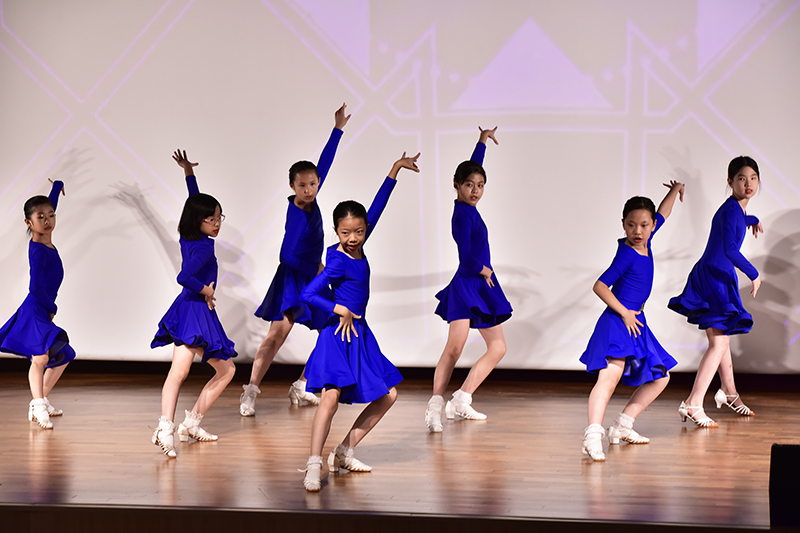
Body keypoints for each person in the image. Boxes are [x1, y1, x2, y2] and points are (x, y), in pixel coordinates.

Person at [298, 152, 420, 492]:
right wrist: (339, 308)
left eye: (359, 231)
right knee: (330, 398)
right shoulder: (337, 260)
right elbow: (308, 294)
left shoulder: (359, 244)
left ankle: (344, 451)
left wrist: (394, 170)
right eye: (346, 232)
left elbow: (377, 207)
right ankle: (313, 463)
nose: (353, 238)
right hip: (337, 334)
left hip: (360, 335)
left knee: (389, 394)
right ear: (336, 230)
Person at [243, 103, 351, 416]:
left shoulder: (312, 196)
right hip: (294, 278)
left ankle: (302, 385)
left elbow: (324, 164)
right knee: (276, 336)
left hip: (312, 278)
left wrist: (337, 129)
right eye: (302, 185)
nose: (309, 189)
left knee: (332, 330)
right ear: (292, 186)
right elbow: (286, 256)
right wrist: (316, 268)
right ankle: (250, 391)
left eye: (313, 183)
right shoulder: (297, 215)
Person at [580, 182, 684, 461]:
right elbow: (600, 286)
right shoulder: (627, 255)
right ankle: (592, 436)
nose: (638, 231)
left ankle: (622, 425)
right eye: (631, 225)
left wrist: (675, 190)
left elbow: (664, 213)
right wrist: (625, 312)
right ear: (623, 225)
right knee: (609, 377)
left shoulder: (646, 239)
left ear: (651, 226)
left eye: (644, 225)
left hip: (636, 323)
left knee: (661, 377)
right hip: (618, 322)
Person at [150, 150, 237, 458]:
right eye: (211, 219)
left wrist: (188, 173)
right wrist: (206, 290)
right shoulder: (202, 249)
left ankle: (180, 425)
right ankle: (173, 427)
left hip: (191, 309)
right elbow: (183, 277)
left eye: (219, 217)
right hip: (194, 310)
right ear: (198, 220)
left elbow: (194, 200)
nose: (217, 223)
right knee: (218, 371)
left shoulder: (190, 237)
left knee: (194, 371)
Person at [424, 127, 512, 433]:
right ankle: (435, 406)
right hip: (467, 285)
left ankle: (461, 399)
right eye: (469, 185)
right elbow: (465, 256)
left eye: (480, 185)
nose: (475, 190)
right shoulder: (462, 214)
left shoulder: (470, 207)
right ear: (456, 185)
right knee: (454, 348)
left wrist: (482, 141)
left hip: (480, 287)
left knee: (498, 347)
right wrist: (483, 270)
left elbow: (474, 168)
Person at [668, 156, 763, 427]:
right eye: (741, 178)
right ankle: (693, 403)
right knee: (719, 343)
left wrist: (753, 219)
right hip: (714, 277)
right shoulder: (732, 210)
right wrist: (754, 274)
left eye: (753, 178)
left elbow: (738, 221)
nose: (748, 183)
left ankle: (729, 393)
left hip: (717, 274)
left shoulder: (736, 209)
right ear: (730, 181)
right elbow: (730, 249)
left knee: (723, 339)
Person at [0, 179, 75, 429]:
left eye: (51, 215)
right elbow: (35, 287)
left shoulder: (46, 236)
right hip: (36, 308)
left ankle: (39, 401)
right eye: (40, 217)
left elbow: (47, 206)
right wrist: (51, 308)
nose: (47, 220)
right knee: (40, 358)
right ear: (28, 222)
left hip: (41, 308)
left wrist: (57, 187)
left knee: (65, 355)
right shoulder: (39, 251)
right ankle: (39, 406)